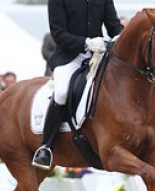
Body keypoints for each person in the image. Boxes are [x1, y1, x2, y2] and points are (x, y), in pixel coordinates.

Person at [32, 0, 124, 170]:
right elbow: (58, 33)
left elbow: (113, 26)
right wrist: (85, 43)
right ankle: (46, 147)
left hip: (98, 54)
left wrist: (122, 37)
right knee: (61, 93)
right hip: (69, 56)